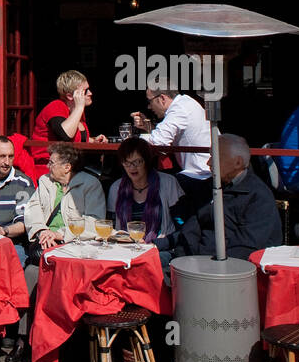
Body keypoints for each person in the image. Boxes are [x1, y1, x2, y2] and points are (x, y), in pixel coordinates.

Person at [17, 143, 107, 353]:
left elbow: (95, 222)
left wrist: (61, 234)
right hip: (47, 244)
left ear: (67, 167)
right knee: (30, 274)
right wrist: (41, 232)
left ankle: (65, 341)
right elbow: (32, 211)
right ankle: (23, 338)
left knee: (66, 282)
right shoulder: (45, 182)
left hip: (75, 245)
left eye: (52, 162)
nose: (48, 166)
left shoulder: (90, 185)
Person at [166, 134, 282, 261]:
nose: (208, 162)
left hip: (229, 270)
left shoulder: (258, 196)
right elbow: (190, 231)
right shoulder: (208, 187)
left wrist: (206, 265)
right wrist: (185, 261)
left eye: (215, 157)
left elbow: (246, 247)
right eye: (210, 156)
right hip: (192, 262)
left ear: (237, 162)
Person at [130, 80, 211, 213]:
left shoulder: (179, 109)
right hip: (202, 173)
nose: (149, 107)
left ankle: (154, 226)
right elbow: (166, 137)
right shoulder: (185, 103)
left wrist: (130, 140)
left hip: (199, 176)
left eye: (150, 101)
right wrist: (148, 127)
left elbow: (158, 142)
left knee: (147, 181)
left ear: (162, 98)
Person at [30, 71, 106, 178]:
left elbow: (75, 138)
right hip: (49, 170)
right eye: (85, 91)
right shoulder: (55, 107)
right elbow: (65, 135)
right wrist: (79, 107)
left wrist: (93, 140)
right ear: (70, 96)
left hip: (70, 167)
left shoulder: (76, 112)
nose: (90, 93)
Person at [106, 138, 182, 242]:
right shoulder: (116, 188)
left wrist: (161, 244)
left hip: (160, 246)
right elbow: (112, 225)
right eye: (126, 162)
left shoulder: (168, 183)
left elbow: (181, 222)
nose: (132, 167)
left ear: (146, 161)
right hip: (125, 246)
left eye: (137, 162)